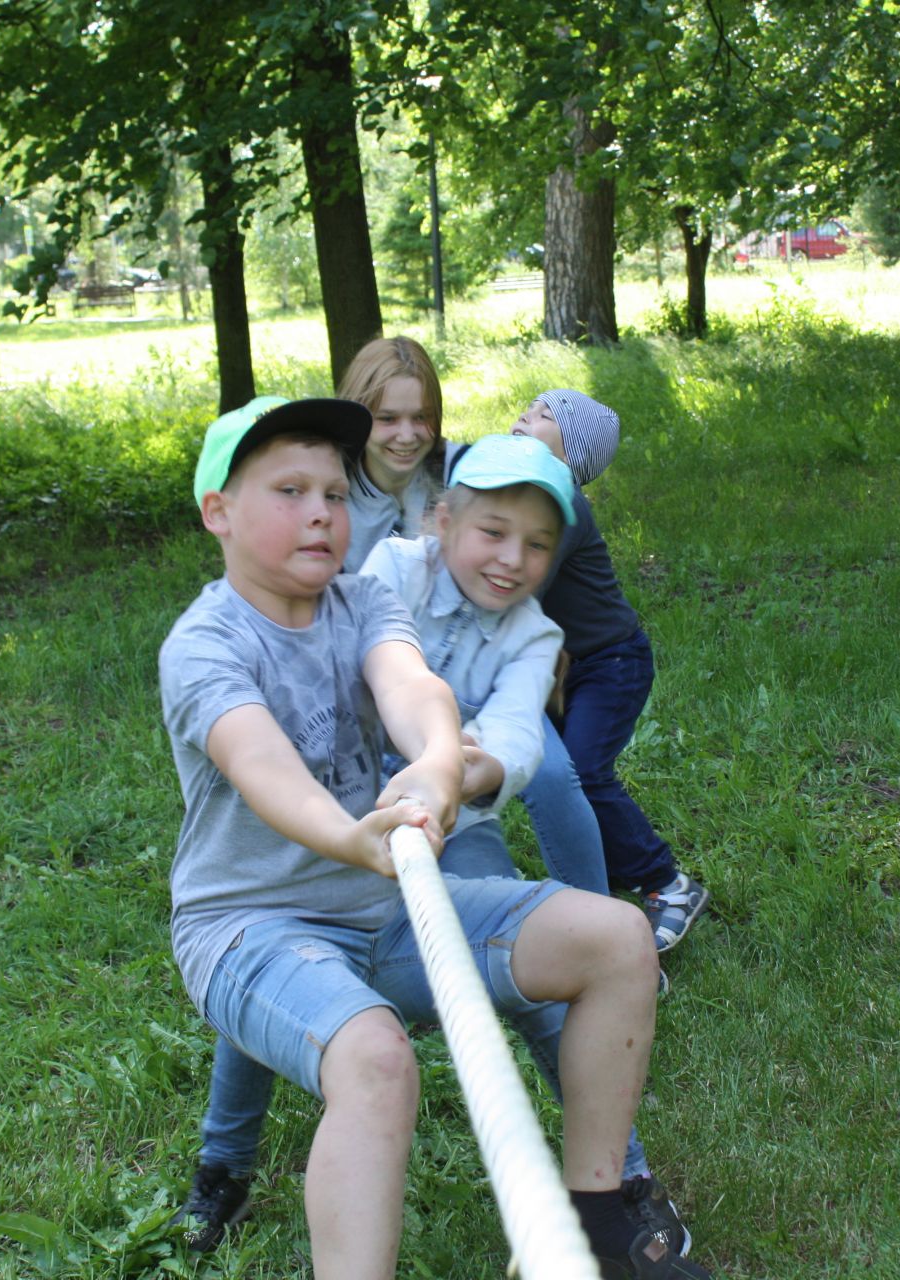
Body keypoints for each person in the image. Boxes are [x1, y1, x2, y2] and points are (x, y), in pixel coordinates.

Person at [160, 396, 708, 1278]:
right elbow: (262, 766)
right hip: (251, 927)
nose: (320, 513)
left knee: (615, 937)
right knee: (378, 1060)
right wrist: (356, 839)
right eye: (289, 490)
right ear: (217, 512)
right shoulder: (206, 643)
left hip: (396, 907)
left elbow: (414, 690)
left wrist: (440, 763)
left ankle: (600, 1218)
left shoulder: (365, 599)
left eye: (335, 495)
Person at [510, 389, 712, 954]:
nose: (525, 416)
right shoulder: (527, 494)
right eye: (526, 409)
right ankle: (604, 885)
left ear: (570, 453)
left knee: (581, 771)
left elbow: (518, 585)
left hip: (612, 663)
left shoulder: (562, 502)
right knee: (564, 776)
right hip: (569, 666)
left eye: (543, 416)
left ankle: (666, 884)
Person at [337, 335, 446, 571]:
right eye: (388, 419)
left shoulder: (459, 476)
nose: (406, 436)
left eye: (421, 417)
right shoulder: (330, 494)